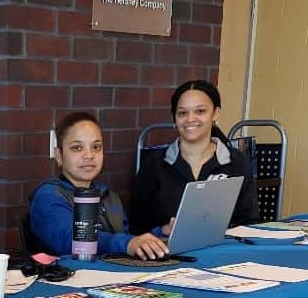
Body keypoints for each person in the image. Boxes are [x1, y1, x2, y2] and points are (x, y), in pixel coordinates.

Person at [28, 111, 169, 259]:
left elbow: (125, 240)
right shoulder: (48, 196)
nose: (89, 155)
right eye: (77, 148)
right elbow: (71, 240)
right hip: (67, 277)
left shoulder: (108, 195)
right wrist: (127, 243)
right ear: (59, 156)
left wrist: (159, 235)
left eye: (96, 147)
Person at [129, 79, 259, 236]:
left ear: (216, 113)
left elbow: (249, 223)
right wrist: (162, 231)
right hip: (165, 255)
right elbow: (136, 228)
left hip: (222, 253)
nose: (190, 119)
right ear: (174, 118)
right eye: (183, 113)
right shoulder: (153, 165)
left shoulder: (237, 163)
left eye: (200, 111)